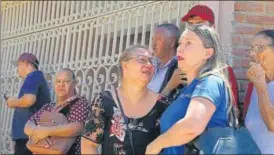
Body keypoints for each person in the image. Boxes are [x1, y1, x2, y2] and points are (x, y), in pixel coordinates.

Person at [145, 25, 232, 154]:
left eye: (188, 43)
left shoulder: (210, 81)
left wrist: (155, 145)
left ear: (208, 53)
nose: (180, 48)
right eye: (180, 43)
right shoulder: (186, 89)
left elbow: (192, 126)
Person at [81, 45, 170, 154]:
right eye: (142, 60)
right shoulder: (104, 100)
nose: (149, 65)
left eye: (152, 62)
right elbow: (88, 145)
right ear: (125, 66)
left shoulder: (162, 104)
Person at [179, 4, 239, 114]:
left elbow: (233, 112)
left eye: (199, 24)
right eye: (190, 24)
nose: (194, 29)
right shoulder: (179, 64)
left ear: (212, 28)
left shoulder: (223, 71)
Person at [24, 68, 90, 154]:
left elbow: (77, 127)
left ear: (74, 83)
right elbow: (28, 125)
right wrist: (38, 133)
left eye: (66, 81)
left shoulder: (79, 103)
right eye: (58, 81)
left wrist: (46, 132)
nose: (61, 85)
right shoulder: (48, 106)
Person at [5, 53, 51, 155]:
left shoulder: (32, 76)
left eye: (18, 65)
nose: (17, 69)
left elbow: (29, 100)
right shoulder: (36, 77)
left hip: (28, 136)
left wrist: (13, 102)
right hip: (30, 135)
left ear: (25, 63)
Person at [244, 30, 274, 154]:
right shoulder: (255, 84)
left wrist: (261, 87)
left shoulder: (259, 84)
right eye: (251, 48)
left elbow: (272, 124)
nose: (252, 53)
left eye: (259, 48)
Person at [148, 23, 183, 94]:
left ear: (171, 43)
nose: (153, 44)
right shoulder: (150, 65)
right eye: (153, 39)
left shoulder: (179, 67)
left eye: (158, 39)